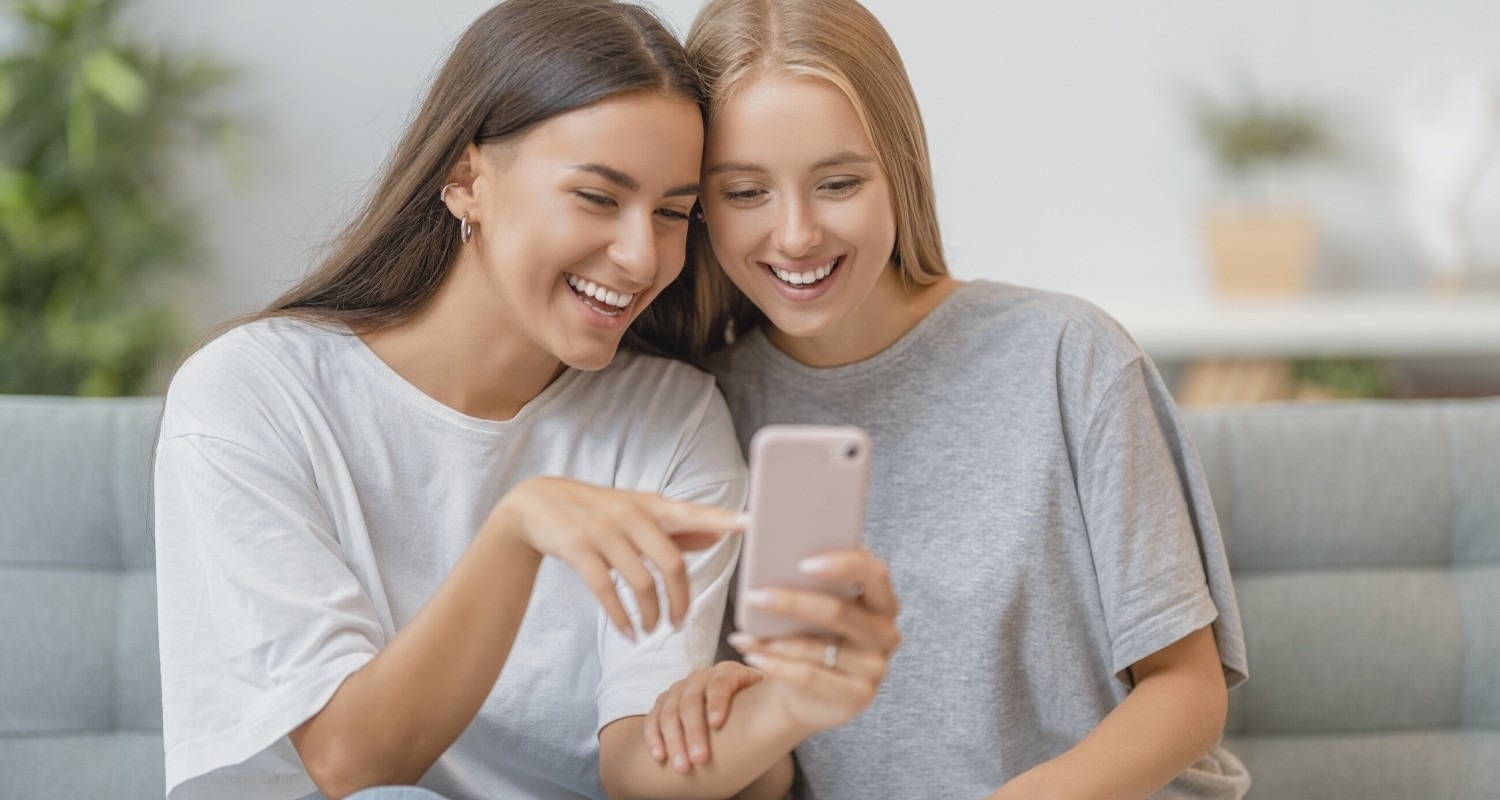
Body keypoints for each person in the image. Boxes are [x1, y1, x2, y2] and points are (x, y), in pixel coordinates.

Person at [152, 2, 896, 799]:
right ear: (466, 179)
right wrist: (519, 529)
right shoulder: (255, 396)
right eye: (598, 197)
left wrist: (793, 703)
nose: (642, 256)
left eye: (674, 213)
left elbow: (639, 768)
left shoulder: (670, 419)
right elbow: (349, 764)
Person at [643, 0, 1252, 798]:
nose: (795, 235)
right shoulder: (700, 412)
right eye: (746, 192)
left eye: (838, 182)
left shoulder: (1070, 357)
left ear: (900, 169)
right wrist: (727, 728)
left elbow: (1188, 694)